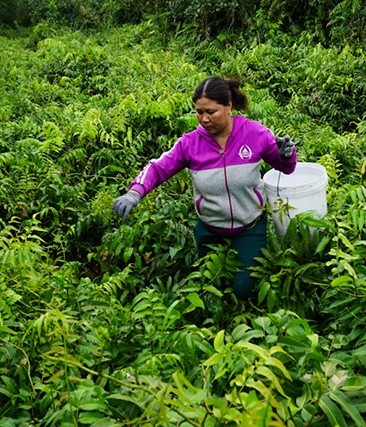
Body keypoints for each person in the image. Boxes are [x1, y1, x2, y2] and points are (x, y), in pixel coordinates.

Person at [113, 76, 297, 299]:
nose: (204, 119)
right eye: (199, 112)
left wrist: (287, 155)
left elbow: (284, 167)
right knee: (210, 288)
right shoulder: (190, 144)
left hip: (250, 226)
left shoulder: (255, 134)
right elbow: (158, 167)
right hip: (210, 229)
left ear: (228, 106)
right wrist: (135, 192)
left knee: (244, 289)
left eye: (211, 112)